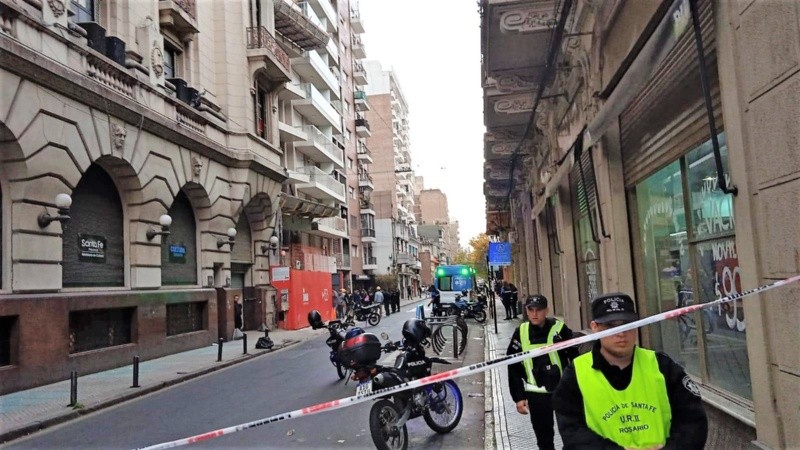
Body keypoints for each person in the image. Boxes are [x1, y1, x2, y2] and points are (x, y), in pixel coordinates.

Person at [552, 292, 708, 449]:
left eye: (627, 324)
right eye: (610, 326)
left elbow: (693, 422)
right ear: (595, 328)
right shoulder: (576, 374)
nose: (621, 333)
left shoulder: (663, 367)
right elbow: (572, 432)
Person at [507, 295, 577, 450]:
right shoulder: (521, 332)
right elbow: (513, 365)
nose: (534, 314)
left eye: (539, 310)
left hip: (562, 392)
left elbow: (576, 358)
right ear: (526, 310)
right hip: (536, 394)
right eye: (530, 310)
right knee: (544, 440)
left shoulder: (559, 329)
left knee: (572, 436)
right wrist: (518, 397)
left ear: (546, 310)